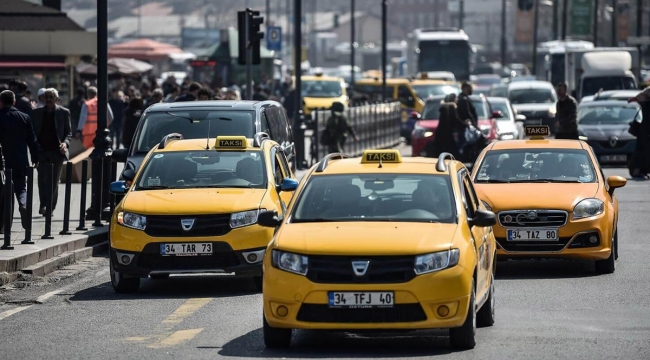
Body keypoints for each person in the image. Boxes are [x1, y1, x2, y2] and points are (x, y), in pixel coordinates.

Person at [0, 90, 39, 229]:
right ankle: (23, 204)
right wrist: (35, 158)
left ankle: (5, 226)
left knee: (4, 194)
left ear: (1, 102)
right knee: (21, 189)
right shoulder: (24, 117)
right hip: (20, 160)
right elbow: (32, 141)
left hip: (3, 162)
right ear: (14, 101)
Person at [31, 88, 72, 215]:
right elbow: (32, 132)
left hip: (57, 151)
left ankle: (50, 207)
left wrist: (65, 143)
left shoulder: (64, 112)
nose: (48, 99)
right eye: (46, 96)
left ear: (56, 99)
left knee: (54, 181)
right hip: (41, 151)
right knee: (42, 179)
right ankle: (43, 204)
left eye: (51, 97)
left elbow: (68, 133)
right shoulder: (37, 113)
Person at [423, 94, 464, 158]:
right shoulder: (452, 107)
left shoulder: (443, 108)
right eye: (456, 98)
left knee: (440, 151)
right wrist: (464, 124)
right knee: (452, 153)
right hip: (448, 133)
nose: (457, 100)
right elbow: (455, 120)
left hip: (440, 133)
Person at [627, 88, 650, 179]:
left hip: (645, 130)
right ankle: (638, 170)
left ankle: (642, 170)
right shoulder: (646, 104)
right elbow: (640, 97)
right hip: (646, 131)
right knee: (642, 152)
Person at [456, 82, 478, 154]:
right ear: (465, 88)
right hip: (465, 126)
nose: (471, 90)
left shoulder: (464, 98)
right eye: (469, 88)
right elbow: (467, 113)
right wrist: (474, 123)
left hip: (465, 126)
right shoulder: (463, 99)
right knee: (463, 144)